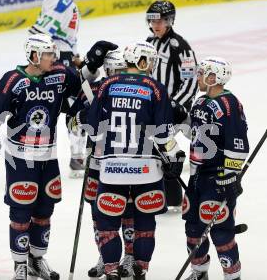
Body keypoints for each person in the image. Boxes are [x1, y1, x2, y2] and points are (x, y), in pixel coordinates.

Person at [0, 33, 117, 280]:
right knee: (21, 211)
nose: (54, 58)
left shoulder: (59, 75)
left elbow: (81, 81)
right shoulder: (13, 79)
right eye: (48, 54)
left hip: (49, 155)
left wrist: (93, 63)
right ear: (34, 56)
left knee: (45, 209)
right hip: (21, 158)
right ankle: (20, 264)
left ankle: (37, 259)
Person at [75, 41, 185, 280]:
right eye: (151, 61)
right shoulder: (155, 88)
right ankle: (140, 269)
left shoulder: (106, 85)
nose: (152, 66)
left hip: (112, 167)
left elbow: (93, 130)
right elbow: (163, 134)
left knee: (107, 221)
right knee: (144, 220)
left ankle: (111, 268)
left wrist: (84, 117)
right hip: (146, 168)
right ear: (143, 61)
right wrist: (175, 156)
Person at [68, 49, 135, 278]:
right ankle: (106, 256)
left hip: (126, 162)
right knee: (98, 212)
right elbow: (72, 122)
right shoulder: (93, 90)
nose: (118, 75)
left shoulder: (134, 90)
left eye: (122, 70)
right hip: (96, 162)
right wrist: (81, 117)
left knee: (127, 210)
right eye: (114, 70)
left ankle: (129, 256)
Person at [182, 57, 248, 280]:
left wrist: (229, 176)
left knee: (220, 229)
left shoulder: (230, 104)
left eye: (201, 74)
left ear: (213, 77)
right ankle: (199, 272)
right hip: (197, 175)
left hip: (218, 177)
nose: (197, 78)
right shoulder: (200, 102)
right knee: (193, 227)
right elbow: (193, 131)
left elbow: (238, 144)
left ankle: (232, 274)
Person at [146, 0, 198, 210]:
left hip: (173, 111)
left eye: (161, 20)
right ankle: (164, 198)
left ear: (170, 21)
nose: (156, 24)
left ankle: (175, 200)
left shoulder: (180, 47)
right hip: (153, 109)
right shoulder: (149, 43)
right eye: (152, 20)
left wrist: (176, 106)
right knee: (155, 151)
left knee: (165, 150)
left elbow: (190, 81)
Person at [29, 0, 87, 178]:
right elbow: (40, 32)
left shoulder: (56, 0)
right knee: (76, 106)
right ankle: (76, 158)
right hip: (56, 58)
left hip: (55, 57)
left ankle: (35, 159)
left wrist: (75, 57)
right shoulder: (62, 1)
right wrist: (53, 57)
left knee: (42, 106)